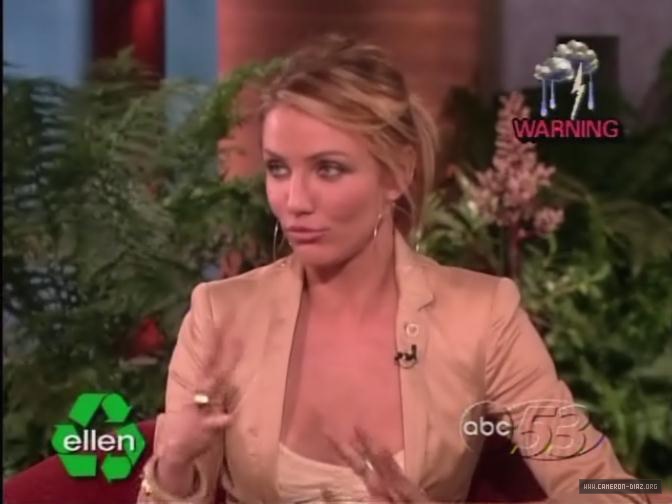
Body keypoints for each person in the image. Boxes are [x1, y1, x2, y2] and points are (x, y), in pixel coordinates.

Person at [137, 35, 650, 504]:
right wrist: (174, 466)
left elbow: (609, 489)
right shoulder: (221, 315)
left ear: (397, 172)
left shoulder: (481, 316)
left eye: (328, 169)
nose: (294, 201)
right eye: (278, 169)